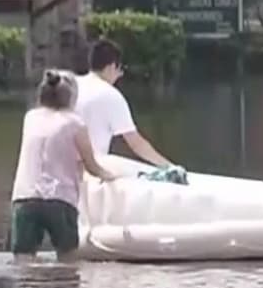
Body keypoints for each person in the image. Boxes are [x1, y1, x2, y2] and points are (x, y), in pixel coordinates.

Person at [9, 69, 118, 262]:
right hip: (59, 199)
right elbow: (92, 167)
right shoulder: (75, 124)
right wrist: (110, 176)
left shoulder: (31, 118)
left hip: (24, 198)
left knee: (23, 263)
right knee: (68, 261)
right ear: (72, 97)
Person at [74, 38, 175, 167]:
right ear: (112, 66)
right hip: (90, 169)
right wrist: (168, 166)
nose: (120, 75)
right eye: (120, 69)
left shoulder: (70, 86)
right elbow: (136, 143)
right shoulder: (111, 95)